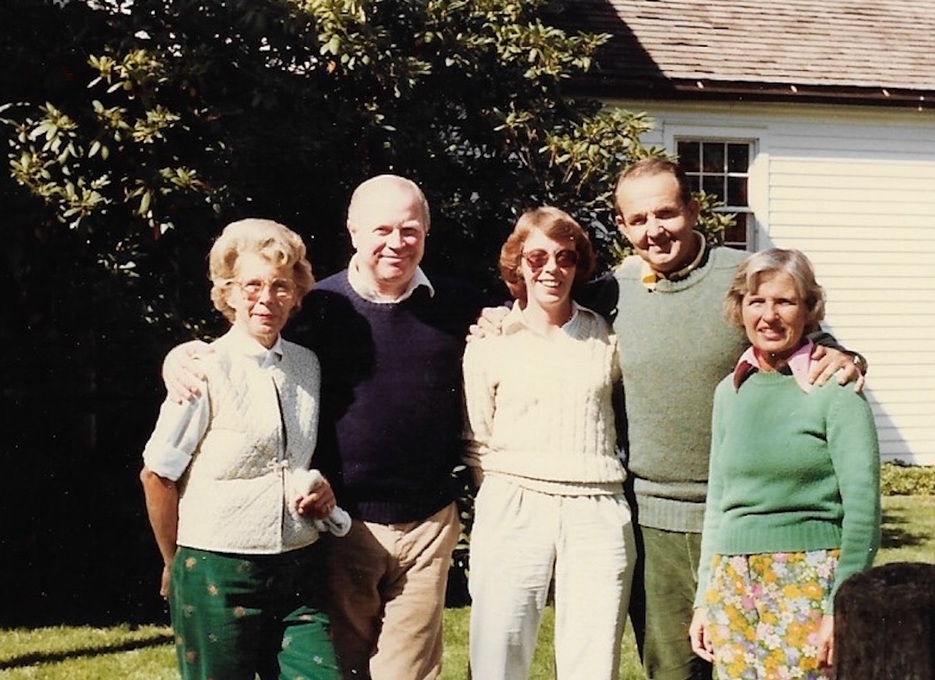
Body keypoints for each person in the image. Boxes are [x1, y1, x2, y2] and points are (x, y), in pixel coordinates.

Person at [472, 158, 865, 680]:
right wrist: (499, 315)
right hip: (652, 521)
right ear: (622, 226)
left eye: (666, 213)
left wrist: (845, 356)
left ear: (693, 210)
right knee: (671, 669)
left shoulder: (742, 276)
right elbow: (547, 302)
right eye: (638, 220)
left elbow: (799, 328)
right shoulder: (612, 293)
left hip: (741, 517)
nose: (654, 230)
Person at [162, 175, 488, 680]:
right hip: (343, 526)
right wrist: (178, 357)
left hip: (428, 523)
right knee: (342, 669)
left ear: (426, 231)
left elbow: (529, 327)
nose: (396, 243)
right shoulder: (316, 306)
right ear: (353, 231)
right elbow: (248, 336)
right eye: (382, 229)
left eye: (410, 229)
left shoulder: (460, 306)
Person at [139, 218, 342, 680]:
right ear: (228, 293)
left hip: (297, 565)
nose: (266, 299)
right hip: (216, 570)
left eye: (280, 286)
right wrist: (175, 562)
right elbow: (157, 474)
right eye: (252, 286)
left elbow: (294, 460)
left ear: (296, 295)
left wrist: (318, 490)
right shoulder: (202, 368)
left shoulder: (306, 366)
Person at [688, 247, 880, 678]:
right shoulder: (729, 392)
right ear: (740, 308)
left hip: (810, 583)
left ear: (809, 309)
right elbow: (718, 503)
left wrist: (841, 607)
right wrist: (706, 598)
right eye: (757, 301)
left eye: (785, 301)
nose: (769, 316)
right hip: (733, 585)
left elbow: (864, 511)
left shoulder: (834, 389)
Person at [463, 207, 636, 680]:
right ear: (518, 264)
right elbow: (478, 435)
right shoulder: (489, 340)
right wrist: (506, 488)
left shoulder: (606, 337)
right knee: (498, 653)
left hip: (596, 505)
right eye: (537, 257)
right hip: (514, 502)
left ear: (579, 266)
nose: (551, 269)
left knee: (593, 659)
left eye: (565, 257)